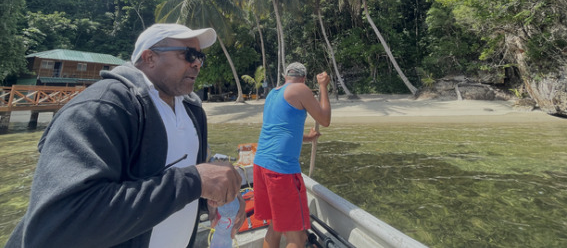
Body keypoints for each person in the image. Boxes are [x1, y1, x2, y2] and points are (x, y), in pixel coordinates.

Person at [7, 23, 245, 248]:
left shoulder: (192, 109)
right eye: (188, 54)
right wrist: (195, 181)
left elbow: (179, 183)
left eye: (200, 57)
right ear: (149, 57)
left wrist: (213, 197)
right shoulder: (104, 107)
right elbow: (58, 225)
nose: (197, 64)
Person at [253, 62, 331, 248]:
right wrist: (322, 86)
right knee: (296, 237)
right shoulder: (300, 89)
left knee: (275, 227)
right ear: (303, 78)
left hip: (261, 165)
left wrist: (307, 137)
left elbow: (279, 130)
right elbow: (325, 119)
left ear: (286, 76)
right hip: (281, 170)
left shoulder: (273, 93)